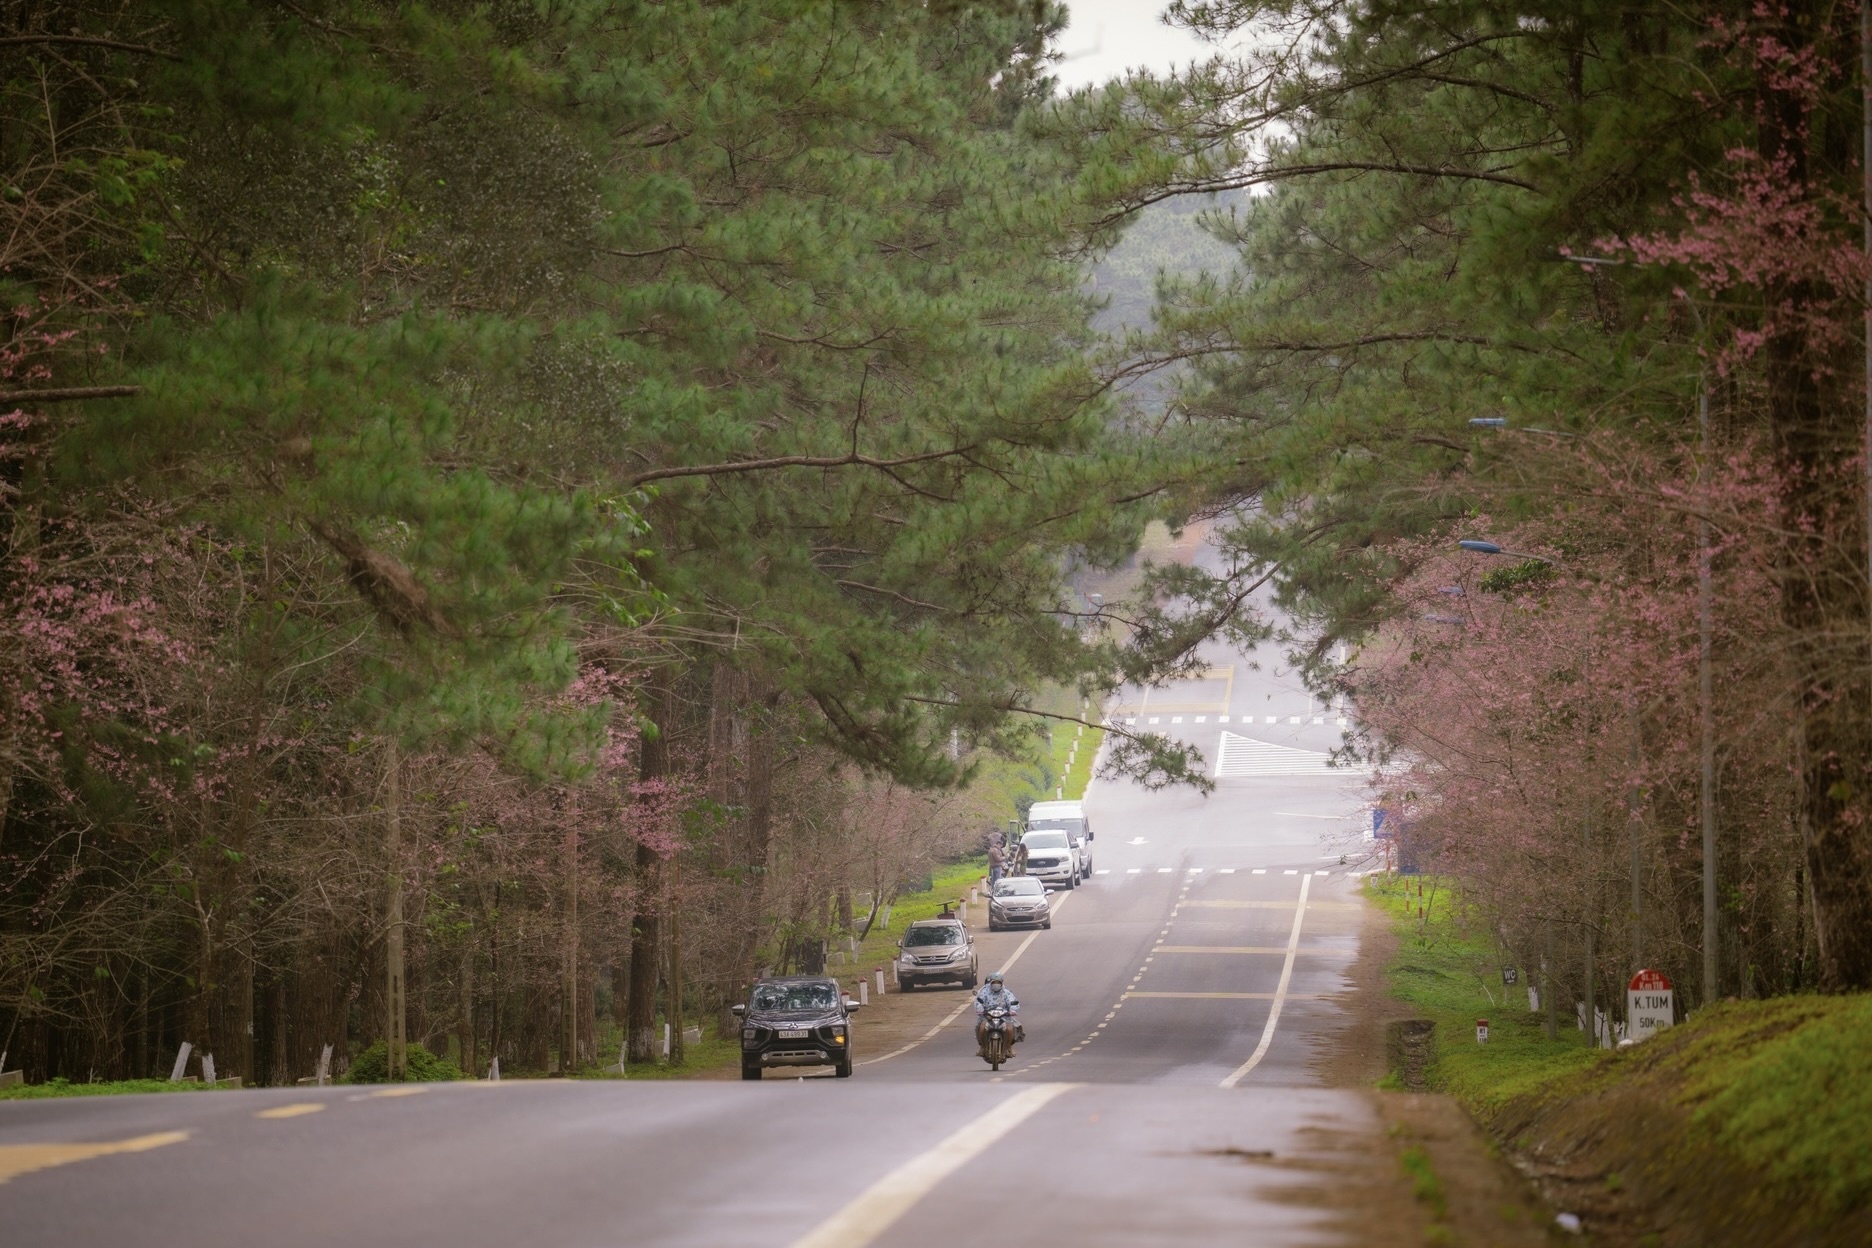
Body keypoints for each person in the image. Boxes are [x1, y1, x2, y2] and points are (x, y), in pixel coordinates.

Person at [973, 971, 1023, 1052]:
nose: (996, 985)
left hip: (1004, 1016)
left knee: (1010, 1029)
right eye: (994, 982)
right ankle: (982, 1047)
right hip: (987, 1016)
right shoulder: (985, 992)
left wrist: (1012, 1009)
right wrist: (980, 1009)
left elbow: (1012, 1001)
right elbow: (978, 1001)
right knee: (982, 1028)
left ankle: (1008, 1047)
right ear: (991, 983)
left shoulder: (1006, 993)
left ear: (1001, 983)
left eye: (998, 983)